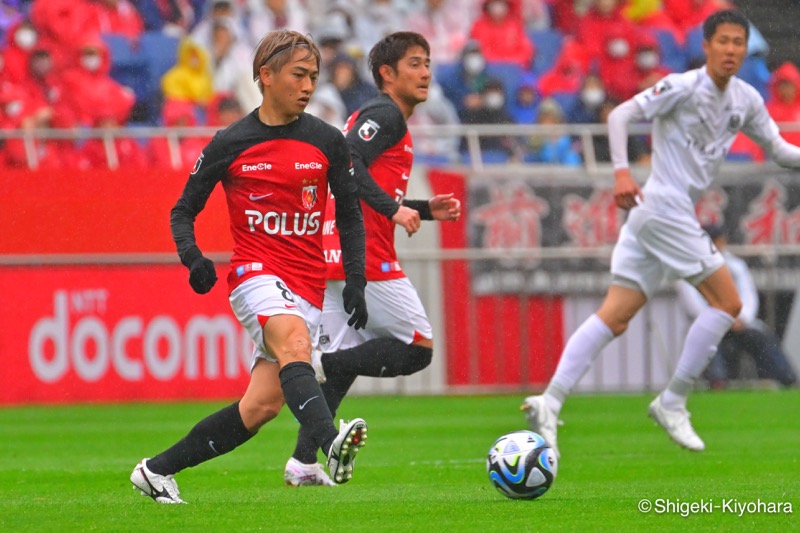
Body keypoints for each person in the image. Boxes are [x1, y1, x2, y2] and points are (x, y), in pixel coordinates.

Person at [520, 10, 800, 455]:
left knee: (615, 315)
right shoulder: (682, 87)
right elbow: (620, 117)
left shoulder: (746, 99)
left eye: (738, 43)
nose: (731, 50)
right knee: (728, 304)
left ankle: (549, 400)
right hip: (662, 205)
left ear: (745, 49)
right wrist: (620, 173)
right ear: (705, 46)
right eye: (723, 41)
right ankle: (672, 401)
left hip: (659, 214)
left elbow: (781, 150)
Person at [130, 30, 371, 504]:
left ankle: (155, 471)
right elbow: (182, 210)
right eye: (299, 75)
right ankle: (330, 445)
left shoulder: (327, 141)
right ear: (265, 76)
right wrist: (193, 257)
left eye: (314, 77)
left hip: (308, 283)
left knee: (259, 408)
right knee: (295, 344)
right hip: (255, 274)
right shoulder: (232, 141)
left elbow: (348, 213)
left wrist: (356, 278)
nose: (308, 86)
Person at [283, 31, 461, 487]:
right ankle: (333, 362)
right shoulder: (386, 113)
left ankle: (303, 463)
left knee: (340, 369)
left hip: (335, 252)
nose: (425, 73)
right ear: (387, 73)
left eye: (427, 63)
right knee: (418, 349)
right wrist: (395, 209)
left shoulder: (376, 115)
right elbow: (346, 163)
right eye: (415, 64)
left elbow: (360, 176)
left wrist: (420, 208)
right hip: (365, 254)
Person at [676, 225, 797, 388]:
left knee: (761, 336)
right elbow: (692, 303)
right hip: (708, 324)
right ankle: (718, 382)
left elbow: (748, 296)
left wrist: (742, 318)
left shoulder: (735, 265)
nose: (719, 244)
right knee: (708, 340)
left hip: (738, 323)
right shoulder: (689, 267)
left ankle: (786, 379)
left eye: (720, 240)